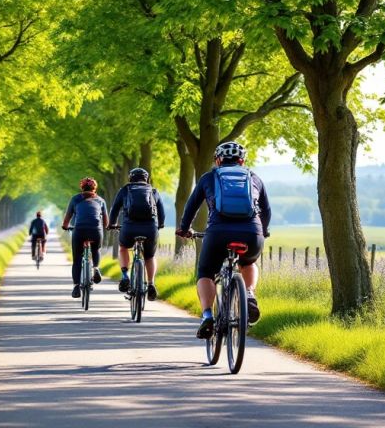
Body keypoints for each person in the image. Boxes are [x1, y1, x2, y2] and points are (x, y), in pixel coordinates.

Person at [176, 141, 271, 338]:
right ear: (242, 160)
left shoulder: (208, 177)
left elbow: (191, 207)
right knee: (249, 262)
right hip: (251, 233)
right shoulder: (254, 178)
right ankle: (250, 293)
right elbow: (266, 210)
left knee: (205, 272)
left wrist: (185, 229)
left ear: (218, 160)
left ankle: (207, 316)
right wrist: (263, 231)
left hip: (218, 233)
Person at [108, 168, 165, 302]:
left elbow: (115, 208)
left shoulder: (125, 190)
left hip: (129, 227)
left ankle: (125, 276)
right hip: (150, 228)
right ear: (146, 179)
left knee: (123, 248)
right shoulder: (153, 191)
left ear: (130, 178)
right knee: (149, 256)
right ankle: (151, 283)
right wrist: (160, 224)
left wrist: (111, 224)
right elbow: (161, 211)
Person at [61, 177, 109, 298]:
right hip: (96, 231)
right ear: (95, 188)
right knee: (96, 249)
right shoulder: (101, 200)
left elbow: (67, 217)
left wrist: (65, 226)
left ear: (82, 188)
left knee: (77, 259)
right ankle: (96, 267)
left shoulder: (75, 199)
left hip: (79, 230)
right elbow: (106, 222)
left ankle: (76, 287)